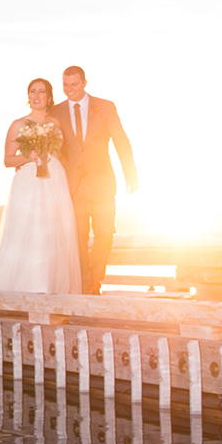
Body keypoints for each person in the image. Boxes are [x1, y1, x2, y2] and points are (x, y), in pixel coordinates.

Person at [0, 78, 82, 294]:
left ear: (49, 97)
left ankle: (53, 286)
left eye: (42, 92)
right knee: (32, 229)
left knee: (54, 230)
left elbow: (59, 152)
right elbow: (8, 160)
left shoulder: (55, 123)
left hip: (54, 177)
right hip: (29, 179)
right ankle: (31, 286)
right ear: (28, 97)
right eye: (32, 92)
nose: (37, 96)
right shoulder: (18, 124)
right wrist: (30, 157)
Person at [51, 66, 137, 294]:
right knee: (78, 239)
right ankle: (86, 287)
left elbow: (121, 140)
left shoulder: (105, 107)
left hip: (103, 185)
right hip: (74, 187)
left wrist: (131, 173)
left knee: (105, 235)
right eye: (65, 85)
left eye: (74, 85)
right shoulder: (56, 111)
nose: (69, 89)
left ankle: (94, 280)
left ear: (84, 83)